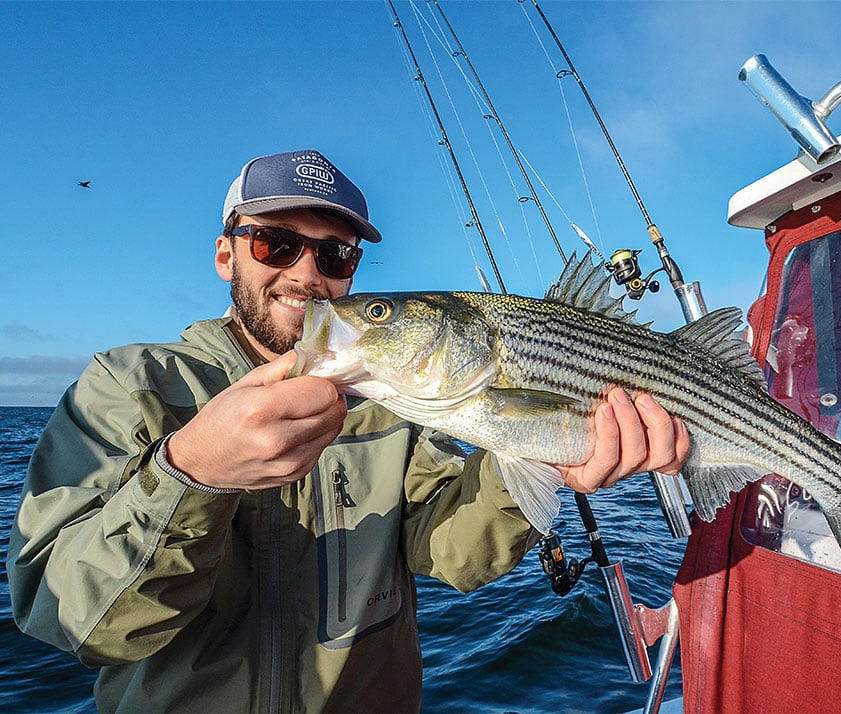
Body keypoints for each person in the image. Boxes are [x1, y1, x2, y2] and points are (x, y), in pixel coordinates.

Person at [7, 149, 689, 712]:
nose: (306, 275)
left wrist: (544, 459)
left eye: (335, 256)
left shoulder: (395, 399)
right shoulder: (131, 385)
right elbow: (75, 618)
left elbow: (451, 554)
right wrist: (191, 472)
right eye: (275, 242)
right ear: (226, 255)